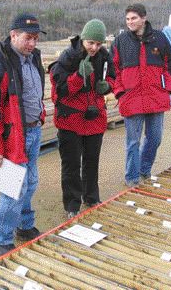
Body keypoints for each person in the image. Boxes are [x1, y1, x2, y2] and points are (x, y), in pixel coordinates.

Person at [0, 13, 46, 256]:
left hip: (33, 130)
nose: (32, 43)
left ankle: (24, 226)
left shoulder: (33, 57)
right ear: (13, 35)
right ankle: (0, 239)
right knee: (13, 186)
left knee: (31, 181)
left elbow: (34, 92)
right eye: (28, 38)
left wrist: (40, 114)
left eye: (36, 39)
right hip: (12, 135)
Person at [50, 19, 115, 219]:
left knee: (91, 161)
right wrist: (79, 76)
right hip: (71, 121)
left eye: (98, 43)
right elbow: (59, 93)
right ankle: (72, 204)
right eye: (90, 43)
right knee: (71, 164)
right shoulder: (68, 57)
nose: (94, 47)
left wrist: (108, 86)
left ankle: (91, 197)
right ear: (83, 39)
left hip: (94, 119)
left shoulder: (104, 57)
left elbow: (112, 76)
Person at [110, 3, 171, 187]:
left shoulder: (160, 39)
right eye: (128, 19)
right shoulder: (120, 41)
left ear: (144, 18)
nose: (130, 22)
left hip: (155, 97)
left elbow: (168, 66)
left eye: (134, 18)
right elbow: (114, 70)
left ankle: (144, 169)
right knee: (133, 142)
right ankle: (132, 177)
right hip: (131, 99)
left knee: (155, 138)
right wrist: (120, 92)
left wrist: (166, 88)